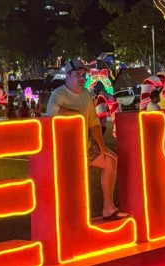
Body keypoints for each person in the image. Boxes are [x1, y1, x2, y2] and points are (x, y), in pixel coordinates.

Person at [47, 58, 129, 222]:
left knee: (111, 160)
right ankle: (66, 218)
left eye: (83, 75)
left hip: (84, 146)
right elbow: (52, 113)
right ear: (67, 76)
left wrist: (102, 145)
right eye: (77, 74)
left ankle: (108, 208)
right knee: (71, 187)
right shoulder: (58, 94)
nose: (81, 78)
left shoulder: (85, 95)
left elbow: (93, 122)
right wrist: (75, 115)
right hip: (65, 151)